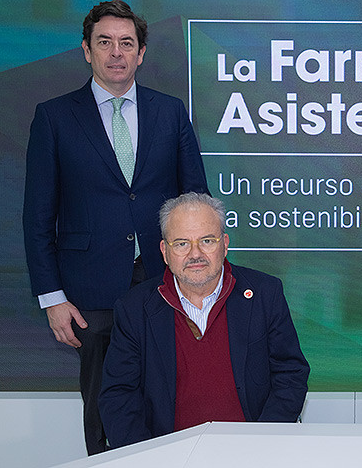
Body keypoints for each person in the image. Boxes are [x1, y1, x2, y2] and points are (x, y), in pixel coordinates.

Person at [23, 0, 209, 454]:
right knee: (104, 407)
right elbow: (37, 215)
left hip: (167, 284)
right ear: (86, 50)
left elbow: (196, 203)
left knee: (172, 397)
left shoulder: (170, 112)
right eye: (104, 42)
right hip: (90, 290)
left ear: (141, 53)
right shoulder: (55, 117)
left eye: (126, 43)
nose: (116, 52)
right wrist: (53, 299)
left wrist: (202, 283)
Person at [99, 192, 310, 448]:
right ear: (165, 251)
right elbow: (118, 396)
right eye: (181, 243)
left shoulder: (265, 293)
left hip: (253, 451)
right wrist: (149, 459)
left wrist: (262, 444)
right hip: (168, 456)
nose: (195, 254)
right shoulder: (134, 309)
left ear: (225, 244)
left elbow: (291, 374)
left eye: (207, 240)